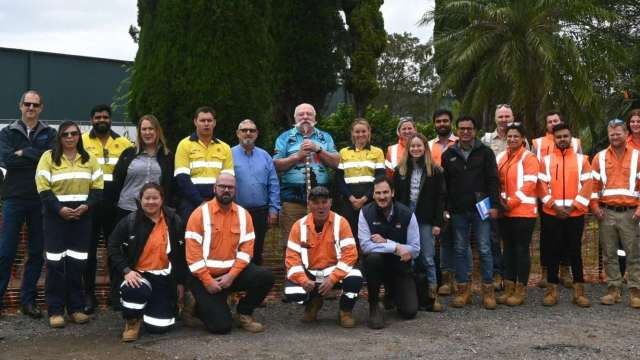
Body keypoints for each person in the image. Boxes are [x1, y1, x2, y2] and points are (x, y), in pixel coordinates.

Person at [185, 173, 274, 334]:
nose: (226, 190)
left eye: (230, 187)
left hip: (231, 275)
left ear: (235, 190)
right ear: (214, 189)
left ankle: (244, 313)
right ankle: (195, 303)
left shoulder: (243, 214)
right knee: (221, 327)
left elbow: (247, 251)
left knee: (265, 277)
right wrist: (207, 281)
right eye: (222, 186)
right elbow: (193, 255)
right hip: (204, 278)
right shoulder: (199, 214)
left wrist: (231, 276)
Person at [35, 121, 103, 328]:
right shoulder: (48, 158)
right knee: (55, 265)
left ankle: (76, 308)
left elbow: (98, 188)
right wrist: (59, 209)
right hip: (56, 217)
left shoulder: (89, 159)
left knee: (77, 265)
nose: (70, 138)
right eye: (66, 134)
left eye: (74, 134)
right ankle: (55, 310)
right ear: (60, 137)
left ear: (79, 137)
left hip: (82, 218)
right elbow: (43, 188)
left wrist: (86, 207)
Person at [0, 90, 56, 319]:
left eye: (35, 105)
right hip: (14, 198)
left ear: (41, 108)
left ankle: (28, 302)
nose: (31, 108)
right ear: (20, 106)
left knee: (35, 253)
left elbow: (50, 157)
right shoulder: (7, 133)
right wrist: (34, 156)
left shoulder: (50, 133)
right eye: (27, 104)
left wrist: (23, 153)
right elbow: (6, 159)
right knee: (6, 252)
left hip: (40, 199)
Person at [108, 183, 188, 342]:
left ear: (162, 200)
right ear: (140, 200)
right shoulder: (129, 221)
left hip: (163, 276)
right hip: (138, 275)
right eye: (147, 198)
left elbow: (180, 254)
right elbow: (113, 245)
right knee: (135, 290)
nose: (151, 202)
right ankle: (132, 321)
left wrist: (180, 282)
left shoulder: (174, 221)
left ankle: (152, 307)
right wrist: (126, 270)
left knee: (159, 328)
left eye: (155, 198)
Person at [442, 115, 500, 310]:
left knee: (484, 248)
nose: (465, 132)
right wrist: (446, 208)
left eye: (469, 128)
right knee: (460, 249)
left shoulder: (486, 152)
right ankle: (463, 291)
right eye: (462, 128)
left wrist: (494, 205)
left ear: (475, 130)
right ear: (457, 131)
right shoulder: (448, 154)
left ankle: (488, 291)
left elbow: (493, 179)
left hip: (481, 209)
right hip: (458, 210)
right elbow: (446, 185)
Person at [283, 186, 362, 328]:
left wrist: (332, 279)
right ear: (309, 204)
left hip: (334, 273)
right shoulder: (298, 226)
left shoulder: (341, 222)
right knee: (291, 291)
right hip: (312, 274)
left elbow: (350, 254)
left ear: (330, 203)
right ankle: (313, 302)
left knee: (355, 276)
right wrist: (303, 280)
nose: (321, 206)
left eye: (324, 202)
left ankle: (345, 311)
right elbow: (291, 259)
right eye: (316, 202)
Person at [82, 104, 134, 313]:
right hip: (91, 204)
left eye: (105, 116)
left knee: (116, 250)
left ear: (110, 119)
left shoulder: (123, 143)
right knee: (89, 252)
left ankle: (116, 294)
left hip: (115, 205)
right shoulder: (82, 141)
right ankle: (88, 295)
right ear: (91, 119)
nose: (101, 120)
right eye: (97, 117)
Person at [538, 123, 593, 307]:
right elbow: (541, 187)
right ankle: (552, 291)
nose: (562, 139)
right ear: (553, 139)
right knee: (553, 251)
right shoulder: (545, 161)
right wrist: (554, 206)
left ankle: (579, 292)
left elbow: (587, 186)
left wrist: (572, 207)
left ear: (571, 137)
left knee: (575, 252)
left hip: (574, 214)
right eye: (559, 136)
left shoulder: (582, 160)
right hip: (551, 213)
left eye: (565, 136)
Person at [273, 103, 339, 246]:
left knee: (322, 240)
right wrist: (297, 156)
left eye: (309, 114)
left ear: (315, 118)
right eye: (301, 114)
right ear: (295, 118)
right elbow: (276, 165)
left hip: (321, 199)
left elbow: (336, 163)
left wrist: (319, 150)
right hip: (292, 199)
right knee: (292, 241)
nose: (305, 117)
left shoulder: (325, 137)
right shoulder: (284, 138)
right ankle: (293, 268)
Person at [590, 119, 640, 308]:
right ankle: (613, 290)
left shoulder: (637, 156)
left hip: (630, 214)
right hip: (606, 213)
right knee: (609, 254)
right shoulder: (599, 157)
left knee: (634, 254)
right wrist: (594, 207)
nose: (614, 136)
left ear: (626, 134)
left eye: (618, 132)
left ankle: (635, 292)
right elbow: (593, 187)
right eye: (611, 133)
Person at [359, 177, 420, 329]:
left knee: (409, 312)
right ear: (373, 195)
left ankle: (391, 294)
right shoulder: (365, 213)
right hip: (376, 267)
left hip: (399, 267)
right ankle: (374, 304)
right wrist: (396, 248)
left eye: (385, 192)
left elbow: (415, 249)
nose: (382, 196)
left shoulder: (407, 214)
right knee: (372, 257)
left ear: (392, 193)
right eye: (378, 193)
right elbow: (366, 246)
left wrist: (389, 243)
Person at [394, 134, 445, 312]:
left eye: (419, 146)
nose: (416, 149)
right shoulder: (399, 170)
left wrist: (438, 223)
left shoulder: (435, 171)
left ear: (425, 148)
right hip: (406, 219)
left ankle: (433, 296)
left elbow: (440, 199)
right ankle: (413, 295)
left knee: (428, 257)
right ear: (408, 149)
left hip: (426, 219)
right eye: (412, 146)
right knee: (410, 258)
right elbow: (397, 199)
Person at [532, 111, 581, 289]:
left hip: (571, 201)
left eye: (556, 120)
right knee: (547, 237)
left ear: (562, 122)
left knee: (570, 239)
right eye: (550, 121)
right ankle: (546, 272)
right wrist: (547, 199)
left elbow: (581, 170)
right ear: (547, 126)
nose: (553, 123)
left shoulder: (575, 143)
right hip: (547, 199)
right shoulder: (538, 143)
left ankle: (565, 270)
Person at [494, 124, 538, 306]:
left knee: (521, 250)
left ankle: (520, 290)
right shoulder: (501, 157)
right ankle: (509, 287)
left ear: (523, 139)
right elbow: (496, 182)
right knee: (508, 250)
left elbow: (530, 184)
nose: (512, 139)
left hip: (524, 213)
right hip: (506, 213)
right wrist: (499, 201)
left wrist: (509, 203)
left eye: (516, 136)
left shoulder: (529, 158)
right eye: (510, 136)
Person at [428, 109, 470, 297]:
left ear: (451, 123)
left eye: (445, 121)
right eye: (438, 121)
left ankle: (465, 279)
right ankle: (447, 280)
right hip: (438, 198)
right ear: (434, 124)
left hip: (460, 198)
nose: (442, 124)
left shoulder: (460, 143)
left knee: (463, 240)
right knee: (444, 241)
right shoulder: (429, 146)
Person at [232, 119, 280, 266]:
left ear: (257, 134)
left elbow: (273, 183)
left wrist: (274, 209)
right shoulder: (228, 154)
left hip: (260, 211)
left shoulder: (265, 156)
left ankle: (255, 282)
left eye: (252, 130)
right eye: (244, 130)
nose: (248, 133)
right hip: (236, 211)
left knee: (257, 248)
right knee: (236, 248)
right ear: (237, 134)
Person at [174, 106, 234, 221]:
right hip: (190, 203)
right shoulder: (184, 145)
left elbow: (228, 180)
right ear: (195, 122)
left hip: (218, 203)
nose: (206, 124)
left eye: (209, 120)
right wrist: (200, 202)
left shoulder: (225, 147)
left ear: (214, 123)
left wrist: (215, 203)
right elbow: (182, 179)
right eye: (202, 120)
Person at [111, 115, 175, 221]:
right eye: (144, 129)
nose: (147, 132)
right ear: (139, 132)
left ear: (157, 131)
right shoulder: (128, 154)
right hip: (127, 209)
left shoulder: (167, 156)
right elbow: (117, 181)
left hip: (155, 210)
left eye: (151, 129)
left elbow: (170, 185)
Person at [480, 105, 516, 290]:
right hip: (493, 198)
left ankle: (511, 276)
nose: (504, 119)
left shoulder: (520, 139)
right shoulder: (486, 140)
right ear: (495, 119)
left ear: (513, 117)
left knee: (511, 240)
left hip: (515, 199)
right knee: (493, 238)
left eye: (507, 116)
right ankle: (496, 274)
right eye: (500, 116)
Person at [336, 118, 385, 245]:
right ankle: (352, 260)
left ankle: (368, 262)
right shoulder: (344, 152)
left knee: (370, 232)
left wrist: (364, 199)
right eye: (357, 132)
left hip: (370, 199)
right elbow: (339, 178)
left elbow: (380, 178)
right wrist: (351, 198)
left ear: (369, 132)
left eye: (363, 131)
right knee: (349, 233)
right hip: (348, 199)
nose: (360, 134)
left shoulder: (377, 152)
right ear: (352, 133)